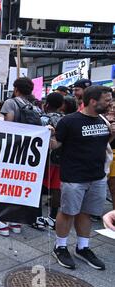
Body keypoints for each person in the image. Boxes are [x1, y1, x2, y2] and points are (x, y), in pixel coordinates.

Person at [49, 86, 114, 270]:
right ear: (93, 101)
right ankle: (60, 246)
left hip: (97, 177)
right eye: (107, 100)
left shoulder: (103, 120)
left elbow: (101, 144)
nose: (110, 104)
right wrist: (48, 134)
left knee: (86, 212)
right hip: (74, 177)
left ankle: (83, 248)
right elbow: (56, 145)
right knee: (68, 212)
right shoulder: (69, 121)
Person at [0, 77, 42, 236]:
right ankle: (16, 223)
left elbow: (9, 126)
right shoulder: (34, 105)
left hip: (12, 151)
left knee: (6, 185)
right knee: (18, 186)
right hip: (27, 152)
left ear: (16, 89)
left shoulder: (11, 103)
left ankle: (3, 224)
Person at [40, 93, 65, 230]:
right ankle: (53, 217)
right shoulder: (66, 119)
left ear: (47, 104)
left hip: (46, 158)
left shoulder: (43, 119)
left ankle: (37, 216)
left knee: (39, 187)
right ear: (61, 105)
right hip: (61, 158)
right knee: (56, 188)